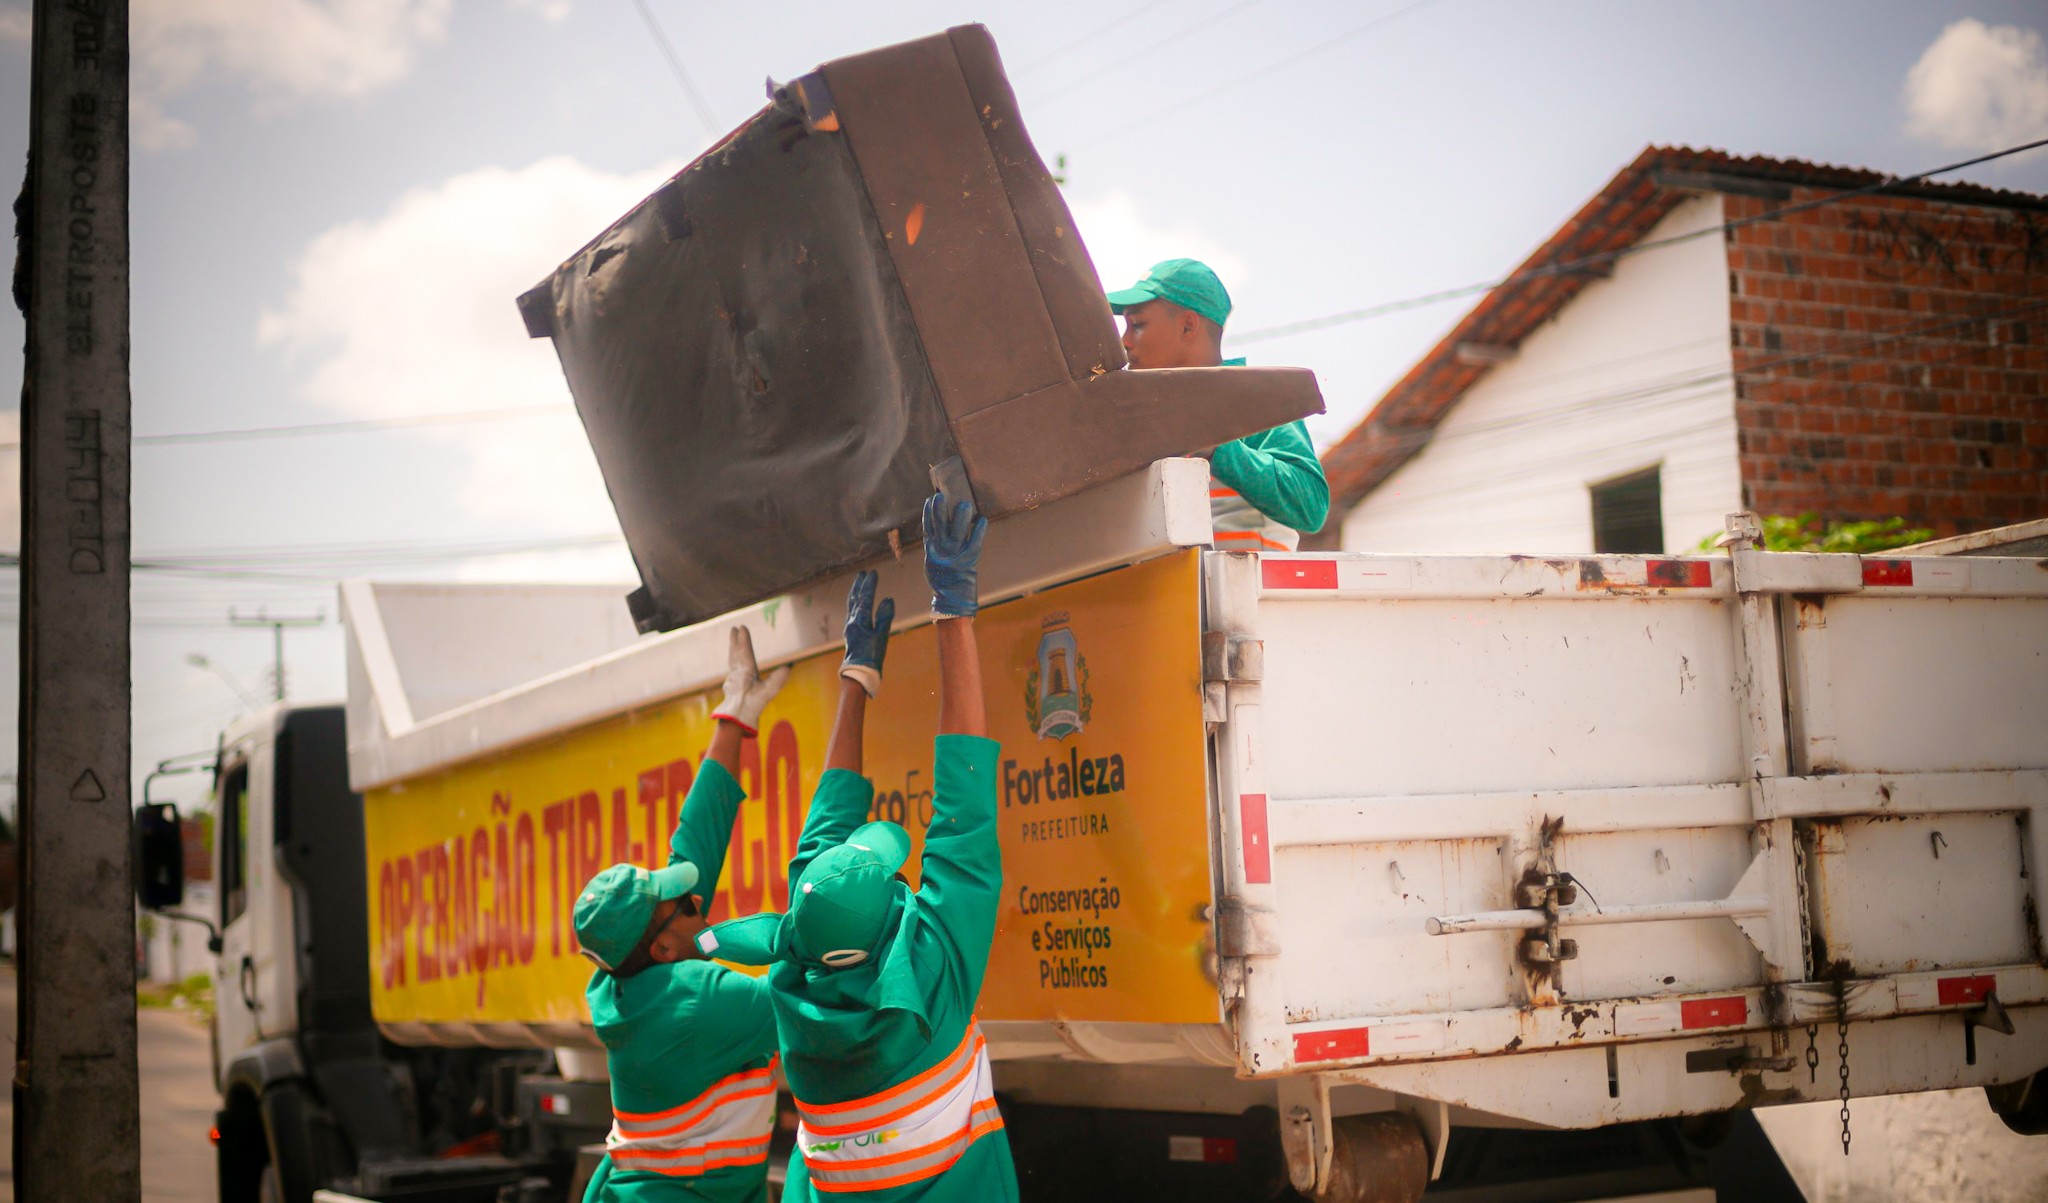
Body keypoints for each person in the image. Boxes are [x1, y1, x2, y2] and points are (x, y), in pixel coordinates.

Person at [694, 489, 1014, 1202]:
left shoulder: (797, 986)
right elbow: (960, 799)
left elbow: (826, 846)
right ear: (892, 931)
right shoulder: (927, 980)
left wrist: (859, 674)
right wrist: (950, 603)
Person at [573, 574, 895, 1203]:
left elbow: (689, 855)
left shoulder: (624, 977)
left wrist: (735, 716)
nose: (695, 897)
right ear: (664, 949)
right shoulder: (699, 1001)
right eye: (680, 903)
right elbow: (812, 965)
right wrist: (856, 689)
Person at [1107, 257, 1330, 551]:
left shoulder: (1257, 402)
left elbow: (1311, 507)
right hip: (1170, 592)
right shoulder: (1143, 419)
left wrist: (1216, 446)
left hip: (1246, 591)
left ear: (1188, 326)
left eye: (1137, 325)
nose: (1125, 341)